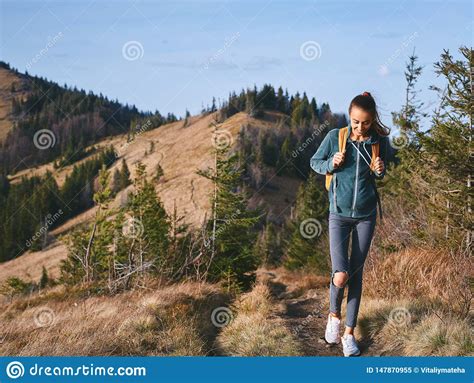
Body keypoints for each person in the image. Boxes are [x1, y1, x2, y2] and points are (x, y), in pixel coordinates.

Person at [309, 91, 390, 356]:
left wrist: (379, 170)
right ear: (350, 116)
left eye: (365, 122)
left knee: (356, 274)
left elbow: (381, 173)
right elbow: (315, 162)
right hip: (339, 215)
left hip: (366, 216)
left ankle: (349, 333)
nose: (359, 127)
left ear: (372, 119)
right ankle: (334, 316)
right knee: (341, 274)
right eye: (355, 121)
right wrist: (330, 164)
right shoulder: (336, 137)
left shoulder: (378, 142)